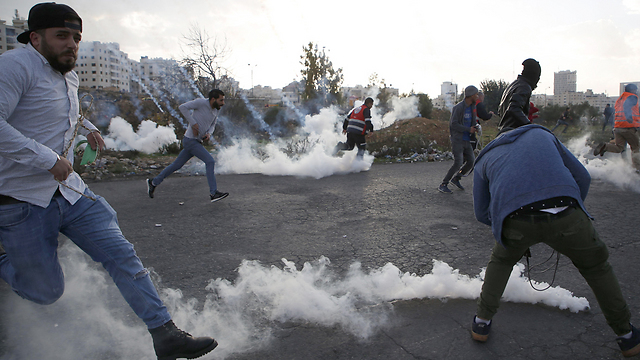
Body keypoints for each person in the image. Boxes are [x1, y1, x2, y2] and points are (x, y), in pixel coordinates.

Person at [0, 3, 218, 359]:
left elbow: (57, 114)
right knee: (46, 291)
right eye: (62, 36)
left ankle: (165, 334)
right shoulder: (13, 67)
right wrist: (48, 159)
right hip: (21, 199)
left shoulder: (67, 75)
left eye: (76, 37)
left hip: (70, 192)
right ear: (35, 38)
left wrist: (87, 128)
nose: (71, 44)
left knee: (121, 254)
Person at [471, 124, 639, 357]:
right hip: (567, 213)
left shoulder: (485, 155)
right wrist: (572, 213)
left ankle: (481, 322)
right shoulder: (541, 134)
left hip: (515, 219)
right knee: (597, 268)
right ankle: (626, 336)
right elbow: (582, 177)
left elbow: (481, 213)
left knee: (501, 260)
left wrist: (505, 225)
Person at [147, 90, 229, 202]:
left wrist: (209, 133)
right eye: (221, 100)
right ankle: (213, 193)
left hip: (197, 141)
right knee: (210, 161)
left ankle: (153, 182)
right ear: (213, 99)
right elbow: (182, 107)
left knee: (176, 165)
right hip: (190, 140)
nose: (223, 103)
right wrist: (193, 123)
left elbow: (213, 124)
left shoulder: (216, 109)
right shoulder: (200, 102)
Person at [438, 86, 479, 193]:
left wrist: (476, 127)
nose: (477, 96)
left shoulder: (472, 107)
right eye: (476, 94)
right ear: (471, 95)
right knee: (458, 162)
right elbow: (453, 124)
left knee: (471, 161)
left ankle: (457, 178)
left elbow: (472, 121)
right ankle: (444, 184)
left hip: (467, 140)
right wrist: (467, 129)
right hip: (458, 139)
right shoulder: (459, 108)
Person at [594, 84, 640, 172]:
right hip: (628, 127)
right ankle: (637, 169)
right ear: (633, 90)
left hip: (618, 128)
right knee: (635, 148)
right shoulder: (632, 97)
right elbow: (627, 106)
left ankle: (605, 146)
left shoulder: (620, 99)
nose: (636, 91)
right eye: (636, 89)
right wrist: (628, 117)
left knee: (619, 148)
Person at [497, 58, 540, 133]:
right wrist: (529, 126)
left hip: (504, 131)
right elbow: (514, 108)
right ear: (534, 75)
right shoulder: (525, 87)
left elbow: (500, 110)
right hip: (514, 132)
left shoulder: (514, 85)